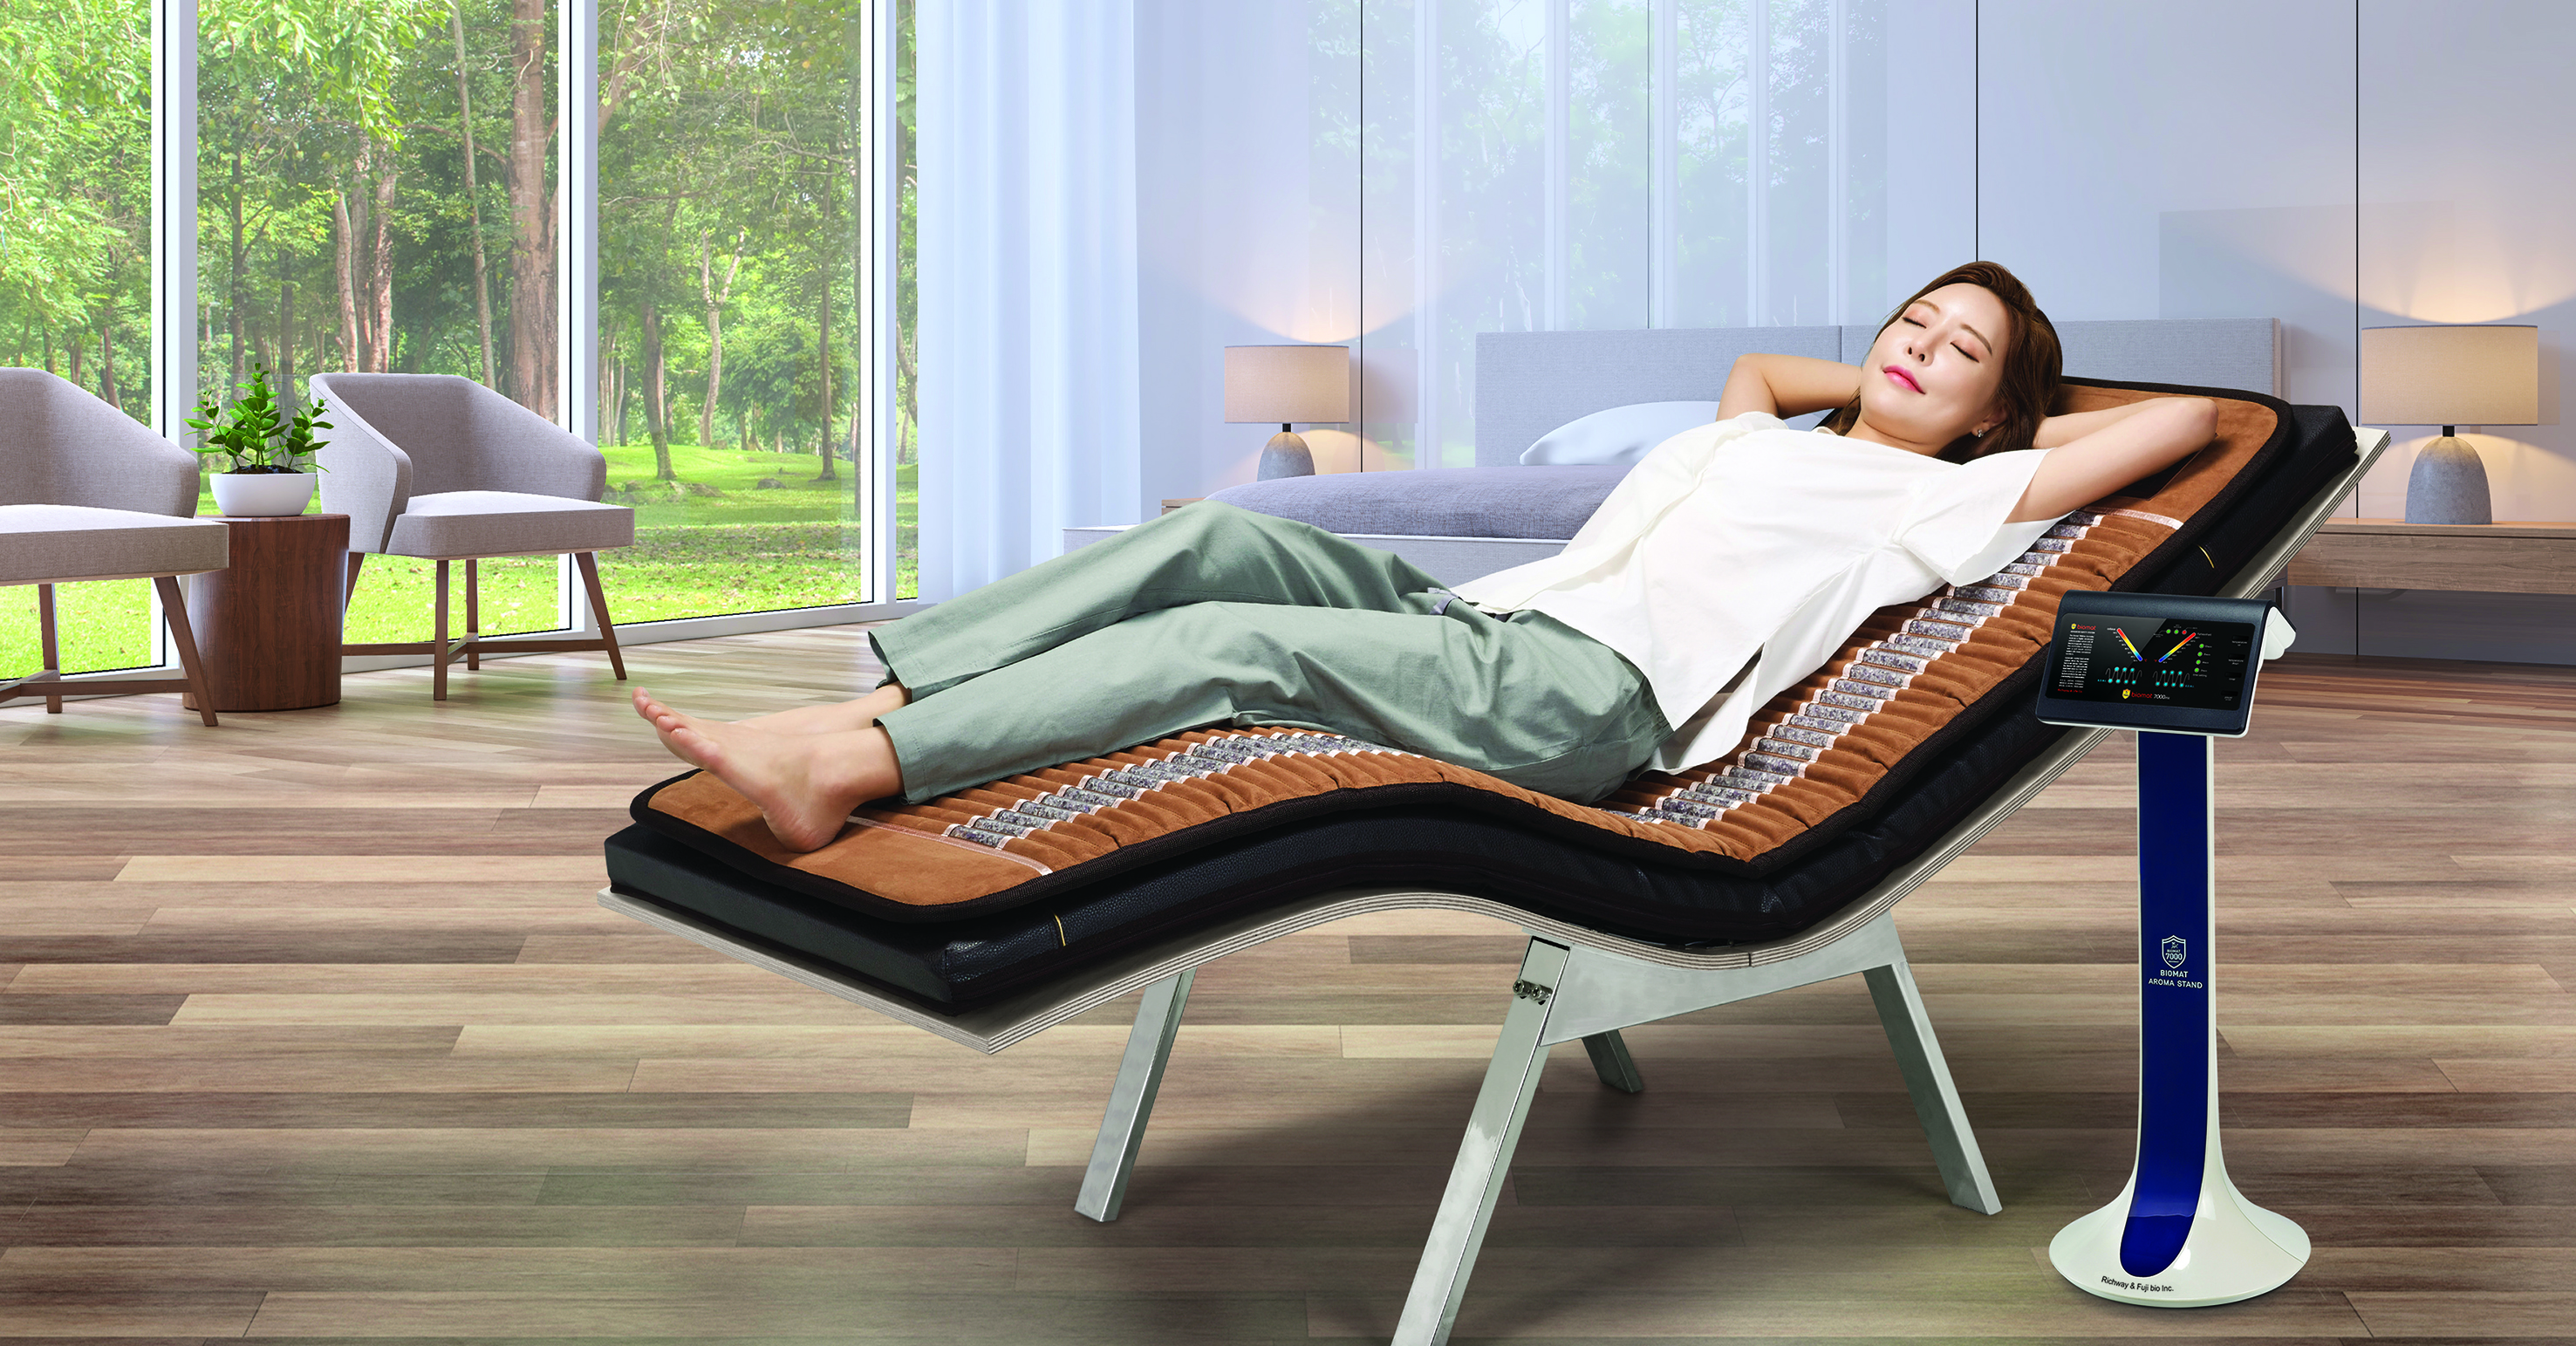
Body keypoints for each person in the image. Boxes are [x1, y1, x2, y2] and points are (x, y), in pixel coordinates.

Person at [635, 262, 2217, 852]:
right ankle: (896, 683)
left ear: (2002, 413)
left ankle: (850, 765)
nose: (1916, 350)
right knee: (1226, 530)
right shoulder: (1769, 435)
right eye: (1909, 321)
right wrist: (1894, 378)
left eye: (1960, 352)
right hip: (1497, 617)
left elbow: (2198, 416)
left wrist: (2015, 424)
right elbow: (1763, 374)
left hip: (1584, 700)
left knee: (1229, 653)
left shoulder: (1935, 503)